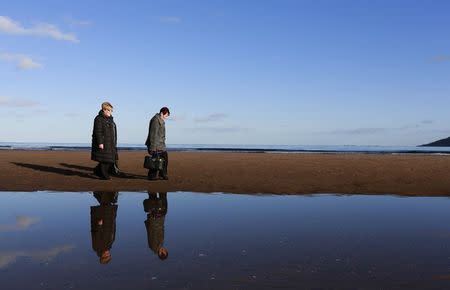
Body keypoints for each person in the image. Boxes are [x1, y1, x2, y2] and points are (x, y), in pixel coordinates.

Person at [91, 102, 118, 180]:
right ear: (104, 110)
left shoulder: (110, 119)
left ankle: (97, 170)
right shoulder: (98, 118)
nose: (110, 112)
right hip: (103, 143)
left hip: (110, 143)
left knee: (109, 159)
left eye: (111, 110)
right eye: (109, 110)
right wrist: (100, 143)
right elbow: (98, 131)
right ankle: (104, 175)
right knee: (105, 160)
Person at [90, 191, 118, 264]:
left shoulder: (96, 247)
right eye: (109, 255)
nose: (108, 254)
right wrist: (114, 219)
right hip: (109, 220)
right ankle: (97, 192)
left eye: (106, 256)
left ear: (102, 256)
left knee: (106, 203)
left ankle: (99, 191)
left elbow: (96, 235)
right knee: (106, 203)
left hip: (102, 221)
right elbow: (113, 231)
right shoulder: (109, 246)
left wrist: (99, 225)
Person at [145, 107, 170, 180]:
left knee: (164, 158)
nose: (166, 117)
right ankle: (151, 176)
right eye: (166, 115)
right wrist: (153, 147)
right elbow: (153, 134)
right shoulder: (155, 120)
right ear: (162, 113)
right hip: (155, 144)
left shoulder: (161, 120)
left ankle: (162, 174)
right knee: (155, 160)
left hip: (161, 144)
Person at [143, 192, 168, 260]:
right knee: (161, 205)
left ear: (161, 253)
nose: (164, 249)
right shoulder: (159, 245)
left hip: (155, 219)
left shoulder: (154, 246)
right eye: (165, 250)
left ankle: (159, 189)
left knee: (162, 206)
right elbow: (161, 230)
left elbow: (151, 231)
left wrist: (153, 218)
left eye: (164, 251)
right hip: (158, 220)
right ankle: (158, 190)